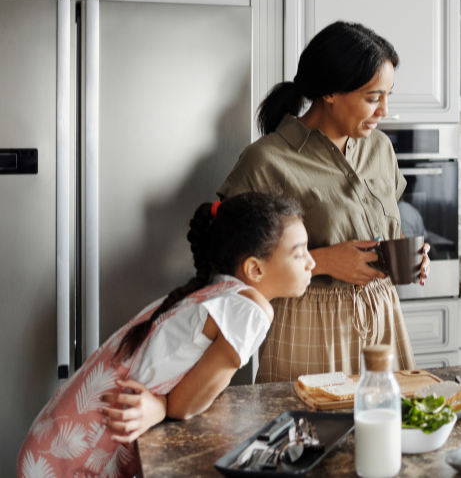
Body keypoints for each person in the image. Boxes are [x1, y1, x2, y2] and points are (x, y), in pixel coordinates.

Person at [18, 192, 313, 478]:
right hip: (67, 459)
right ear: (254, 269)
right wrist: (162, 407)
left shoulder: (215, 292)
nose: (311, 262)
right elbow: (185, 405)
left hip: (53, 441)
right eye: (299, 253)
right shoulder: (250, 310)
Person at [218, 21, 428, 382]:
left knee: (391, 430)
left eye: (387, 96)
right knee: (310, 434)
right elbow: (230, 266)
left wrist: (406, 257)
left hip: (383, 316)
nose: (384, 111)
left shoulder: (380, 149)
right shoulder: (268, 160)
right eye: (373, 97)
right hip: (306, 323)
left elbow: (384, 225)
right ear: (330, 92)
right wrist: (323, 262)